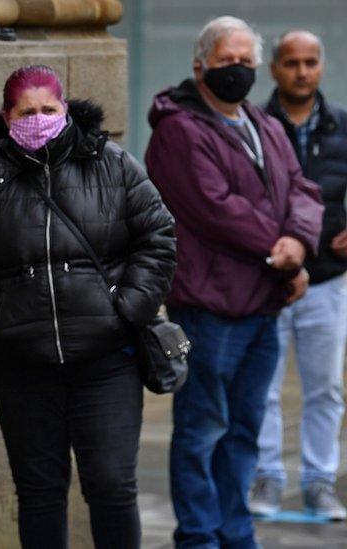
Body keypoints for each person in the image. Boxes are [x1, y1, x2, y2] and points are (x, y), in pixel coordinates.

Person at [0, 64, 177, 548]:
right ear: (6, 115)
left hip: (106, 361)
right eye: (26, 111)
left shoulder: (111, 163)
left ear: (65, 108)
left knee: (113, 486)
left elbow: (158, 237)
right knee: (39, 492)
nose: (38, 119)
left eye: (48, 109)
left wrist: (128, 309)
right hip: (22, 364)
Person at [145, 16, 323, 548]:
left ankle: (236, 531)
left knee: (244, 432)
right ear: (200, 65)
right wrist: (285, 251)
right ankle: (199, 536)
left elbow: (303, 189)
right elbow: (214, 207)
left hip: (262, 305)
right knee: (202, 432)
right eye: (228, 61)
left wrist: (298, 242)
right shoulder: (178, 128)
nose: (239, 70)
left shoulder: (262, 123)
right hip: (210, 306)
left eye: (247, 61)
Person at [250, 29, 347, 521]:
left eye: (311, 62)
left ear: (321, 67)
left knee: (325, 387)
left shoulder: (343, 127)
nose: (302, 71)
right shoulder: (256, 125)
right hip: (268, 277)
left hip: (328, 280)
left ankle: (319, 481)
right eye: (292, 62)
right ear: (275, 69)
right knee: (262, 386)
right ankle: (267, 476)